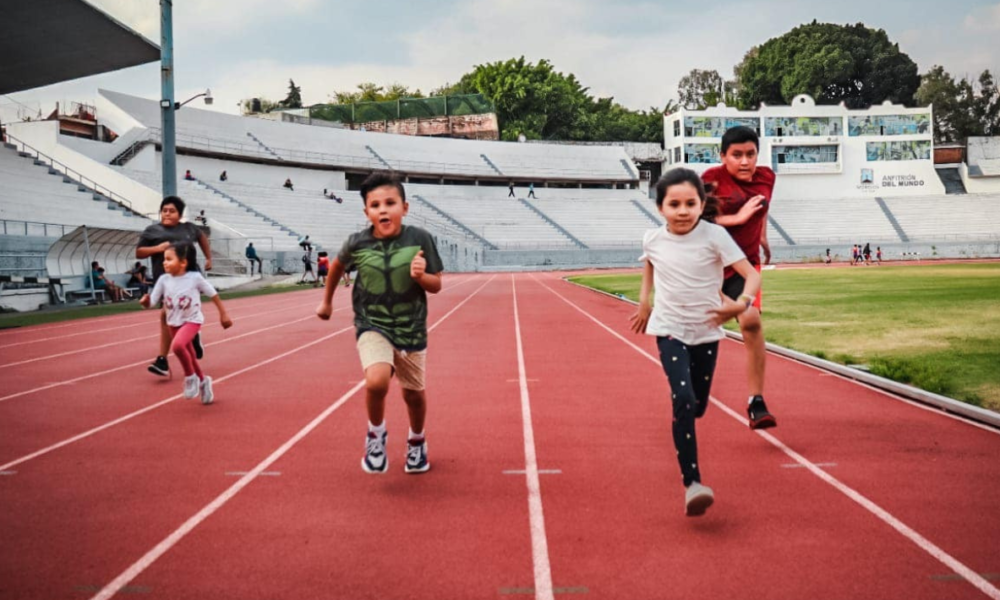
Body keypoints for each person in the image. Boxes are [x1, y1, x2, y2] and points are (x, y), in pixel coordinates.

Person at [630, 168, 761, 517]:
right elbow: (649, 267)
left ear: (703, 204)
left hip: (706, 331)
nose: (683, 211)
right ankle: (693, 483)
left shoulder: (715, 236)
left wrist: (741, 303)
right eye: (674, 204)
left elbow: (752, 274)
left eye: (691, 203)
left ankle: (690, 412)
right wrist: (644, 302)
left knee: (699, 404)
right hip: (669, 328)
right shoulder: (653, 239)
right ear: (660, 208)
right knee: (684, 399)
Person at [316, 172, 443, 474]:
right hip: (371, 323)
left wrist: (421, 276)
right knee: (376, 381)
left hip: (410, 328)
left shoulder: (420, 239)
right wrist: (327, 301)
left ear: (405, 207)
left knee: (413, 393)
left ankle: (416, 441)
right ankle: (376, 433)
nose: (383, 210)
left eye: (390, 203)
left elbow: (436, 285)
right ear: (366, 212)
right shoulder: (357, 243)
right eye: (375, 205)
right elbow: (336, 267)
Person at [701, 126, 777, 430]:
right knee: (699, 327)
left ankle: (756, 401)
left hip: (744, 263)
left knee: (751, 321)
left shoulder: (767, 177)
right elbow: (696, 219)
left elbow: (764, 206)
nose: (745, 162)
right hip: (709, 266)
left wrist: (762, 234)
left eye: (750, 154)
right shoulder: (710, 179)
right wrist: (738, 218)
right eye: (737, 155)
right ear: (723, 156)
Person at [140, 242, 233, 405]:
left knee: (177, 346)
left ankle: (190, 377)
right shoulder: (163, 280)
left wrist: (223, 314)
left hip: (192, 320)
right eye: (164, 259)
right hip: (173, 322)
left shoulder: (194, 278)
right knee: (189, 355)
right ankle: (204, 382)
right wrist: (146, 301)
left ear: (183, 262)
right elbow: (153, 301)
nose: (164, 263)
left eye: (169, 259)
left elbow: (213, 294)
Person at [136, 196, 212, 378]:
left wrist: (208, 257)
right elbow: (139, 252)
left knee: (169, 314)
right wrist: (157, 249)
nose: (167, 214)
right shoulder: (152, 231)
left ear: (179, 214)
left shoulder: (188, 229)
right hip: (164, 279)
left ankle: (164, 358)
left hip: (189, 278)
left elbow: (202, 237)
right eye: (164, 210)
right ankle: (169, 355)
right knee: (169, 316)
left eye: (172, 211)